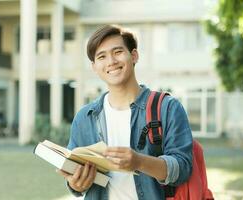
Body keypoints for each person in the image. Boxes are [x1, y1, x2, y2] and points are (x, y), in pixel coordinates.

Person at [57, 24, 193, 200]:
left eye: (118, 52)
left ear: (134, 56)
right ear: (94, 66)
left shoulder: (168, 107)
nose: (111, 61)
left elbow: (183, 169)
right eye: (102, 56)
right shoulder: (85, 118)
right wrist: (75, 184)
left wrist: (139, 161)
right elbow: (75, 174)